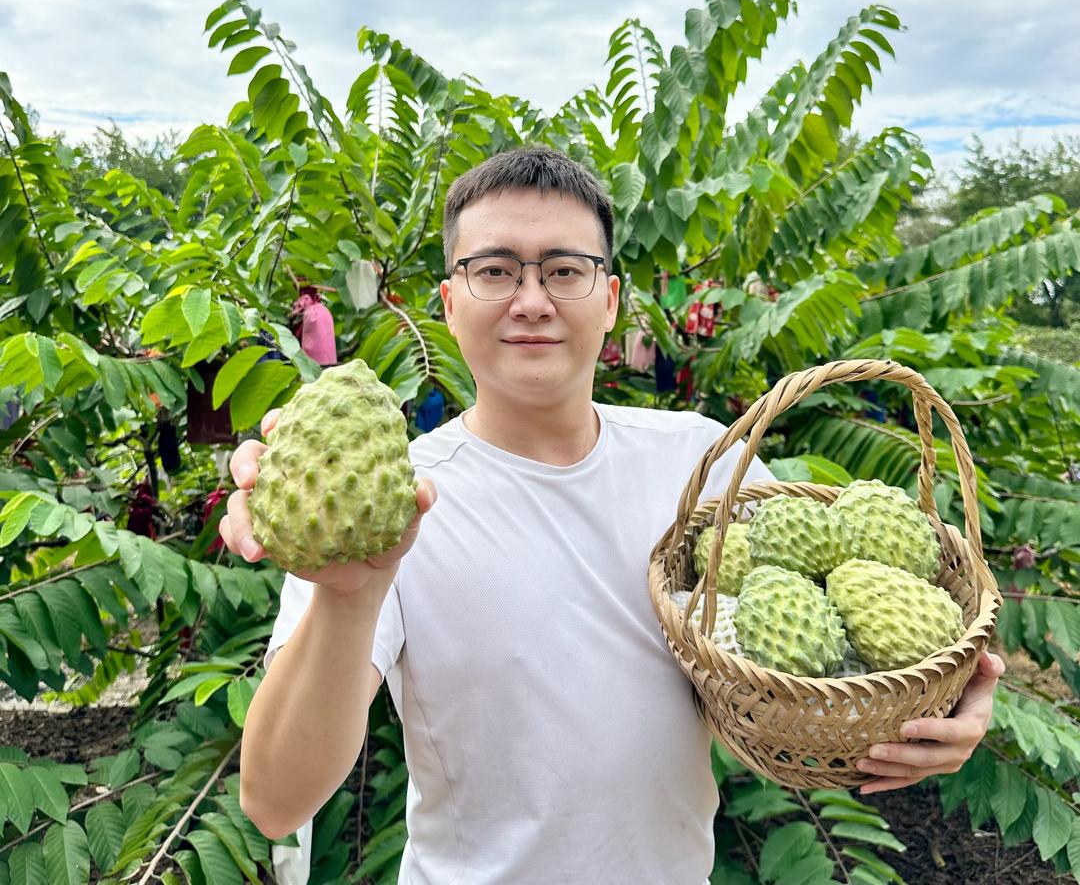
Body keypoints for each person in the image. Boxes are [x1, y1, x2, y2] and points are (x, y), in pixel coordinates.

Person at [219, 147, 1004, 885]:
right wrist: (349, 591)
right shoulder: (392, 504)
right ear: (451, 305)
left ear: (612, 298)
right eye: (495, 270)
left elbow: (822, 661)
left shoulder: (705, 468)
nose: (532, 300)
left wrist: (946, 703)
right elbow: (275, 801)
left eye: (564, 269)